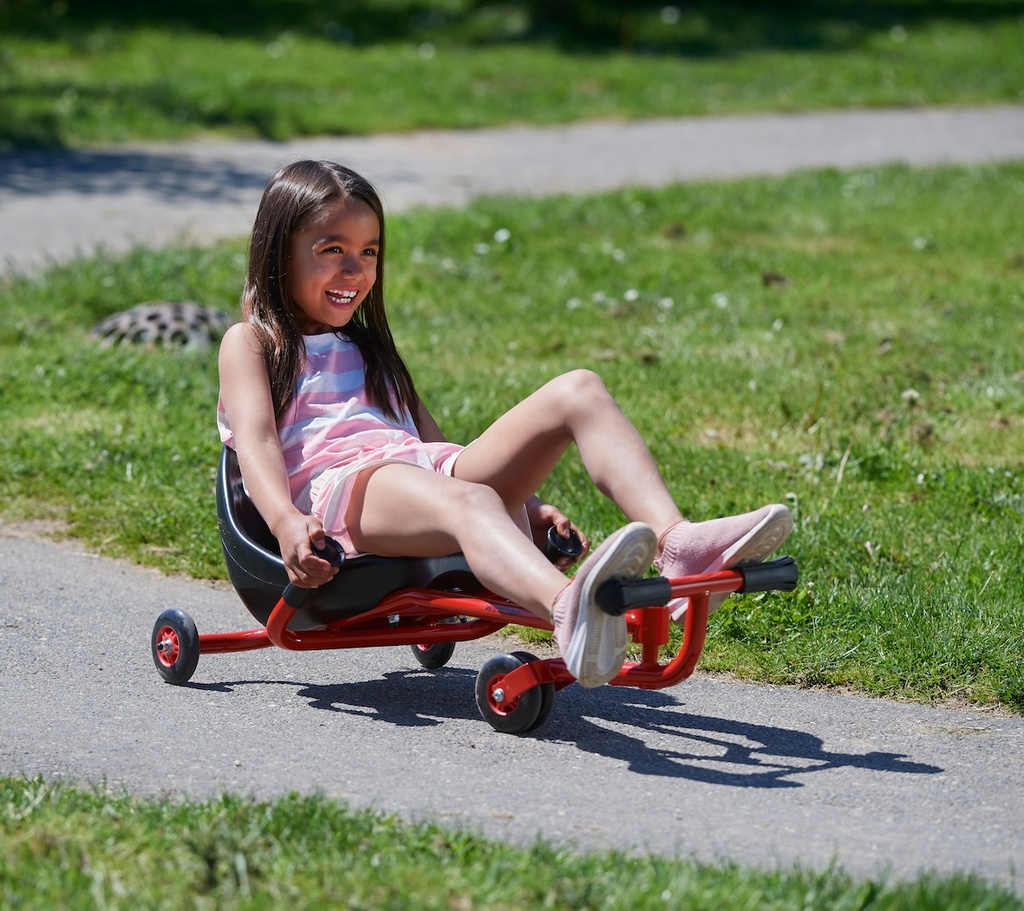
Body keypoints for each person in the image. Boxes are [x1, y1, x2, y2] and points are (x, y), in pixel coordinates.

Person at [217, 160, 793, 689]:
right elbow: (258, 442)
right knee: (469, 502)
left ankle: (678, 540)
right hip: (343, 494)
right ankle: (570, 610)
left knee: (580, 389)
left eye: (368, 253)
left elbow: (432, 443)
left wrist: (532, 503)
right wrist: (288, 522)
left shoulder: (369, 348)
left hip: (419, 473)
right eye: (331, 249)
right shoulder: (254, 344)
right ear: (278, 254)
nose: (354, 270)